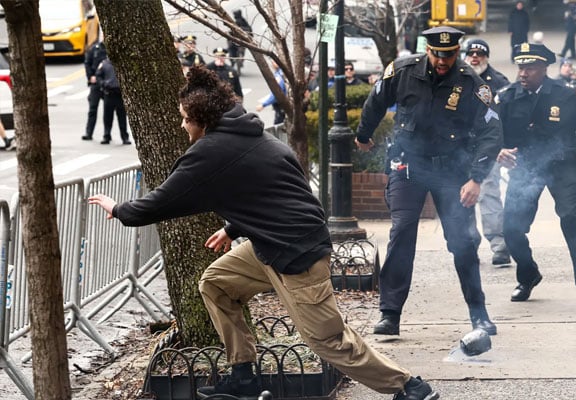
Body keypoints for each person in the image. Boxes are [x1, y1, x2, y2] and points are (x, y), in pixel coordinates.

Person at [88, 66, 439, 400]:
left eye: (184, 118)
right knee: (216, 283)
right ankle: (243, 376)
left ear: (202, 119)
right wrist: (232, 228)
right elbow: (266, 192)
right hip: (270, 246)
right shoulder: (253, 137)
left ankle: (409, 386)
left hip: (297, 255)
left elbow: (164, 201)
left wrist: (120, 209)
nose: (182, 125)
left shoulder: (211, 153)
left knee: (328, 342)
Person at [355, 26, 503, 337]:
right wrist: (363, 135)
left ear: (457, 53)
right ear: (428, 51)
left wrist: (476, 179)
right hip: (408, 166)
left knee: (463, 241)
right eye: (437, 55)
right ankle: (390, 313)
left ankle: (479, 314)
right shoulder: (403, 71)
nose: (442, 61)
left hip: (452, 171)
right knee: (402, 231)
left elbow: (492, 132)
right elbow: (377, 99)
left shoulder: (472, 84)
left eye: (449, 56)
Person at [495, 42, 576, 311]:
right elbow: (488, 129)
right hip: (525, 167)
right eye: (521, 67)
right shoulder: (507, 96)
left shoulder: (567, 94)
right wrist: (497, 150)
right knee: (511, 228)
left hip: (562, 165)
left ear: (544, 68)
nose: (523, 73)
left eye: (530, 68)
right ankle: (528, 274)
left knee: (571, 217)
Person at [464, 38, 511, 266]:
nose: (475, 57)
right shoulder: (456, 78)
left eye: (480, 54)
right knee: (462, 197)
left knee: (489, 193)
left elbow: (506, 118)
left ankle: (499, 244)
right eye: (471, 53)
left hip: (488, 146)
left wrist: (501, 146)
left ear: (487, 57)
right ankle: (468, 243)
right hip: (460, 148)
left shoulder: (499, 82)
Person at [96, 56, 130, 145]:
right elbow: (98, 76)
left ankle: (124, 137)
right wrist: (103, 84)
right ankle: (106, 135)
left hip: (120, 94)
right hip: (109, 94)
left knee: (122, 117)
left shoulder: (122, 63)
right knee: (107, 117)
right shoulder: (104, 64)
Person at [82, 34, 108, 141]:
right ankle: (89, 133)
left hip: (108, 84)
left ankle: (107, 135)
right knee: (92, 109)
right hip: (96, 83)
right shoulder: (95, 49)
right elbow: (87, 63)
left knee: (108, 111)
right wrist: (90, 76)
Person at [256, 58, 286, 124]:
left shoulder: (280, 75)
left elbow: (277, 93)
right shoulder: (280, 73)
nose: (272, 63)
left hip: (282, 106)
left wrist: (263, 105)